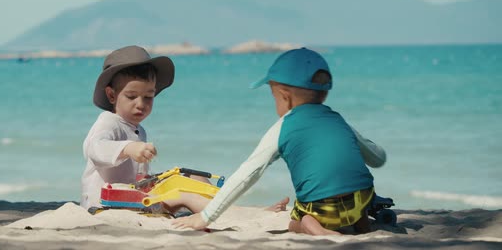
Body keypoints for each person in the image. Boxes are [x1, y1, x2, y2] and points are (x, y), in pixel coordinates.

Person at [173, 47, 386, 235]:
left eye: (273, 96)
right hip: (361, 201)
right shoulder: (338, 120)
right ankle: (360, 223)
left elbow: (248, 173)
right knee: (355, 187)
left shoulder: (284, 126)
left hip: (322, 210)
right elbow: (377, 158)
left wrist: (206, 217)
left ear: (285, 96)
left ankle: (311, 227)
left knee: (297, 220)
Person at [80, 45, 208, 213]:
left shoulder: (139, 129)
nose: (141, 104)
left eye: (148, 97)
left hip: (132, 199)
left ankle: (218, 207)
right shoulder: (108, 122)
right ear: (111, 95)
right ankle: (216, 214)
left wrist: (149, 179)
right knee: (182, 193)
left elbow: (135, 175)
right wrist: (128, 148)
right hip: (105, 204)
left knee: (195, 178)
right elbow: (95, 149)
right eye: (131, 96)